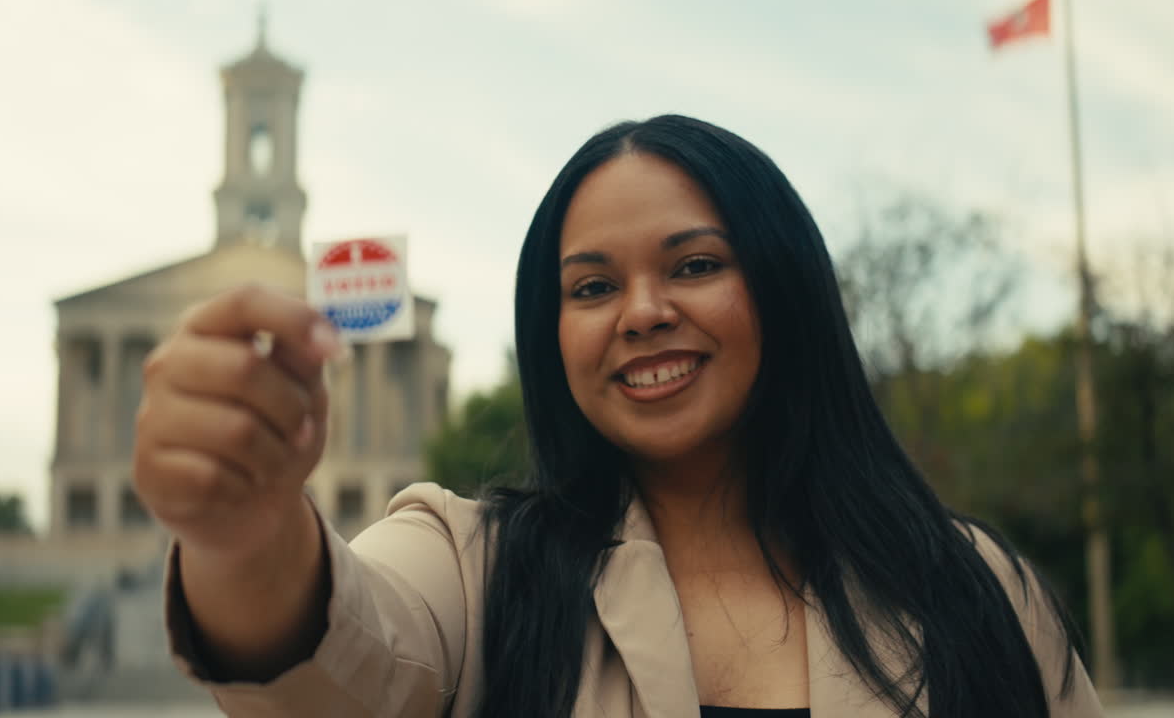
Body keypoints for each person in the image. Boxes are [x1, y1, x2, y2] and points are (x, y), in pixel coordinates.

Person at [133, 115, 1105, 718]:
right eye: (591, 285)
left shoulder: (974, 589)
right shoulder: (474, 570)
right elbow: (345, 667)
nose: (641, 312)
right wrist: (247, 536)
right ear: (549, 333)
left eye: (693, 265)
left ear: (783, 287)